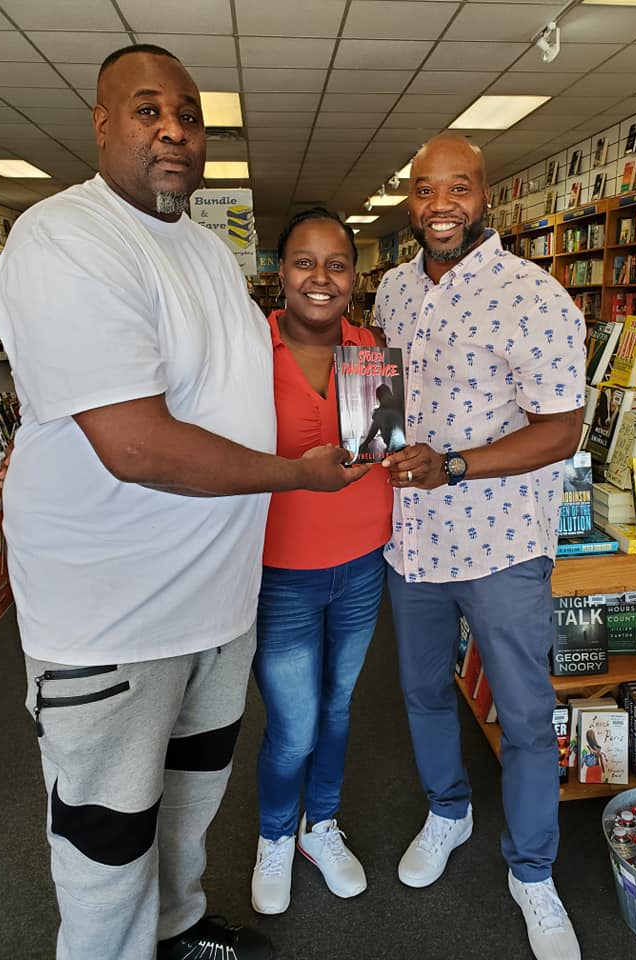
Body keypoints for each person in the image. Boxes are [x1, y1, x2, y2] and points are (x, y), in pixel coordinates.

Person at [0, 45, 369, 960]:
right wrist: (297, 477)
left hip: (215, 611)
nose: (174, 131)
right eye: (149, 111)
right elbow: (135, 444)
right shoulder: (63, 238)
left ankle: (178, 930)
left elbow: (232, 389)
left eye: (191, 117)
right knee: (104, 844)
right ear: (102, 123)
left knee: (188, 810)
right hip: (112, 624)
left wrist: (364, 403)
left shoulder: (203, 248)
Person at [374, 132, 586, 960]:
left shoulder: (533, 294)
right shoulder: (391, 287)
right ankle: (449, 811)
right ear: (411, 198)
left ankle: (533, 871)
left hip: (500, 544)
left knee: (528, 714)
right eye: (426, 191)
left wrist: (454, 464)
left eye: (457, 189)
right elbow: (386, 395)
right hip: (411, 544)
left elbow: (563, 430)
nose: (440, 206)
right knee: (424, 692)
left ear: (484, 195)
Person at [250, 208, 392, 915]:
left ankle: (320, 826)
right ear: (281, 272)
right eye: (304, 262)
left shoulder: (370, 346)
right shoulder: (249, 345)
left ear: (354, 279)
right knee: (294, 722)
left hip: (364, 561)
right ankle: (274, 833)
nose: (320, 278)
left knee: (338, 708)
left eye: (337, 264)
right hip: (280, 570)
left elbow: (378, 449)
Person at [358, 383, 407, 460]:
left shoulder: (381, 413)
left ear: (379, 398)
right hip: (405, 447)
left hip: (394, 450)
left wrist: (365, 443)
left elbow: (373, 431)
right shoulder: (399, 408)